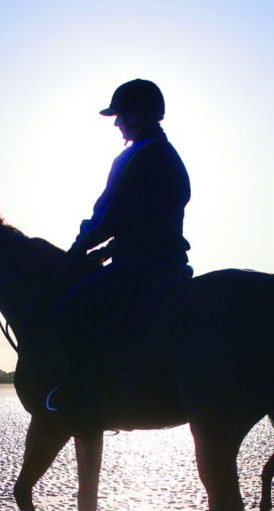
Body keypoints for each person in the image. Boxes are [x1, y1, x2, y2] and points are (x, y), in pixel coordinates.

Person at [47, 79, 192, 414]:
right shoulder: (170, 156)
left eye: (120, 115)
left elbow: (106, 217)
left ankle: (82, 389)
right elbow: (148, 217)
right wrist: (110, 250)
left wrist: (75, 250)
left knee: (64, 310)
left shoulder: (133, 156)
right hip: (168, 258)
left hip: (141, 264)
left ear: (138, 116)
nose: (116, 122)